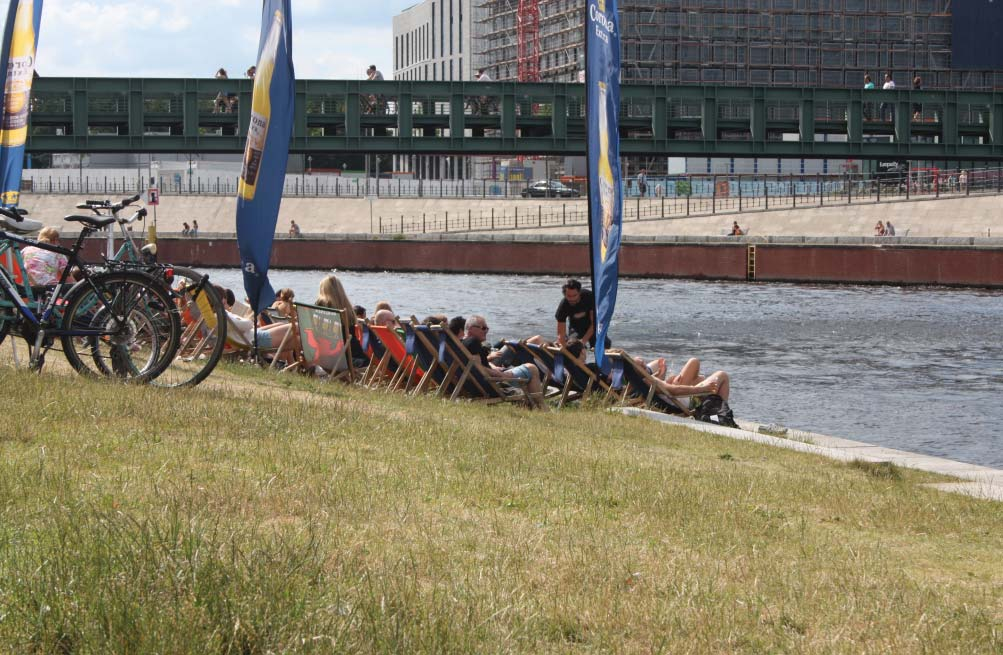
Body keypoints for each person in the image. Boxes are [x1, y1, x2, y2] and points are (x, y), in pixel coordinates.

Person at [463, 315, 544, 407]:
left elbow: (477, 365)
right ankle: (540, 406)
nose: (486, 331)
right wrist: (501, 375)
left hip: (480, 382)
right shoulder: (473, 342)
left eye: (487, 329)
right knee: (532, 368)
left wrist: (493, 367)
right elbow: (478, 368)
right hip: (491, 383)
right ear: (471, 328)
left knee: (525, 369)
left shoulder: (463, 343)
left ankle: (534, 406)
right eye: (483, 328)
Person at [556, 278, 605, 349]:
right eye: (569, 296)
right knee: (573, 346)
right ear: (564, 295)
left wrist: (583, 341)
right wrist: (563, 346)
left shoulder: (589, 297)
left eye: (575, 296)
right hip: (576, 327)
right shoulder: (563, 306)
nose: (572, 299)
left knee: (602, 343)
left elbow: (594, 323)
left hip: (593, 325)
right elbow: (561, 333)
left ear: (579, 293)